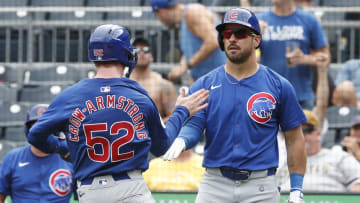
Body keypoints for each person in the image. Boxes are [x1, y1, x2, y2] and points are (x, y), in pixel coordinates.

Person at [27, 24, 209, 203]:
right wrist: (181, 111)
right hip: (130, 188)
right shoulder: (138, 96)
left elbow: (35, 134)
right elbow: (162, 147)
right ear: (125, 54)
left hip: (90, 191)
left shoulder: (70, 96)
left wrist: (61, 148)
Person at [162, 8, 307, 203]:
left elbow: (294, 138)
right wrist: (182, 140)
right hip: (215, 183)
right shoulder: (204, 84)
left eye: (240, 33)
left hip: (261, 186)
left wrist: (296, 188)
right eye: (227, 33)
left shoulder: (279, 85)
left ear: (256, 40)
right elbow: (195, 125)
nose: (232, 39)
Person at [258, 0, 330, 109]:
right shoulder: (259, 21)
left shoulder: (309, 20)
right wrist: (254, 35)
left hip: (301, 97)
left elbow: (326, 58)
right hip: (268, 97)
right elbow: (245, 58)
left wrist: (305, 59)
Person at [0, 104, 73, 203]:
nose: (41, 133)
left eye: (45, 127)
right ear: (28, 130)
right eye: (36, 127)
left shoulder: (69, 157)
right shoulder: (12, 157)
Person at [277, 110, 360, 192]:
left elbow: (357, 184)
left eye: (305, 130)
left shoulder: (339, 157)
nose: (299, 137)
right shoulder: (279, 163)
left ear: (318, 133)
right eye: (292, 132)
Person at [151, 0, 227, 84]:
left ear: (161, 12)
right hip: (206, 82)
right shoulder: (182, 24)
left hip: (220, 81)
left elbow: (213, 41)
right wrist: (183, 69)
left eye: (156, 16)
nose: (160, 20)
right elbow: (191, 53)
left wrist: (185, 66)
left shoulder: (193, 12)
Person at [130, 37, 177, 122]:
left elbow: (175, 116)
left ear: (151, 56)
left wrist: (153, 127)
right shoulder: (121, 82)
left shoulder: (164, 85)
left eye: (146, 49)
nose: (142, 52)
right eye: (136, 50)